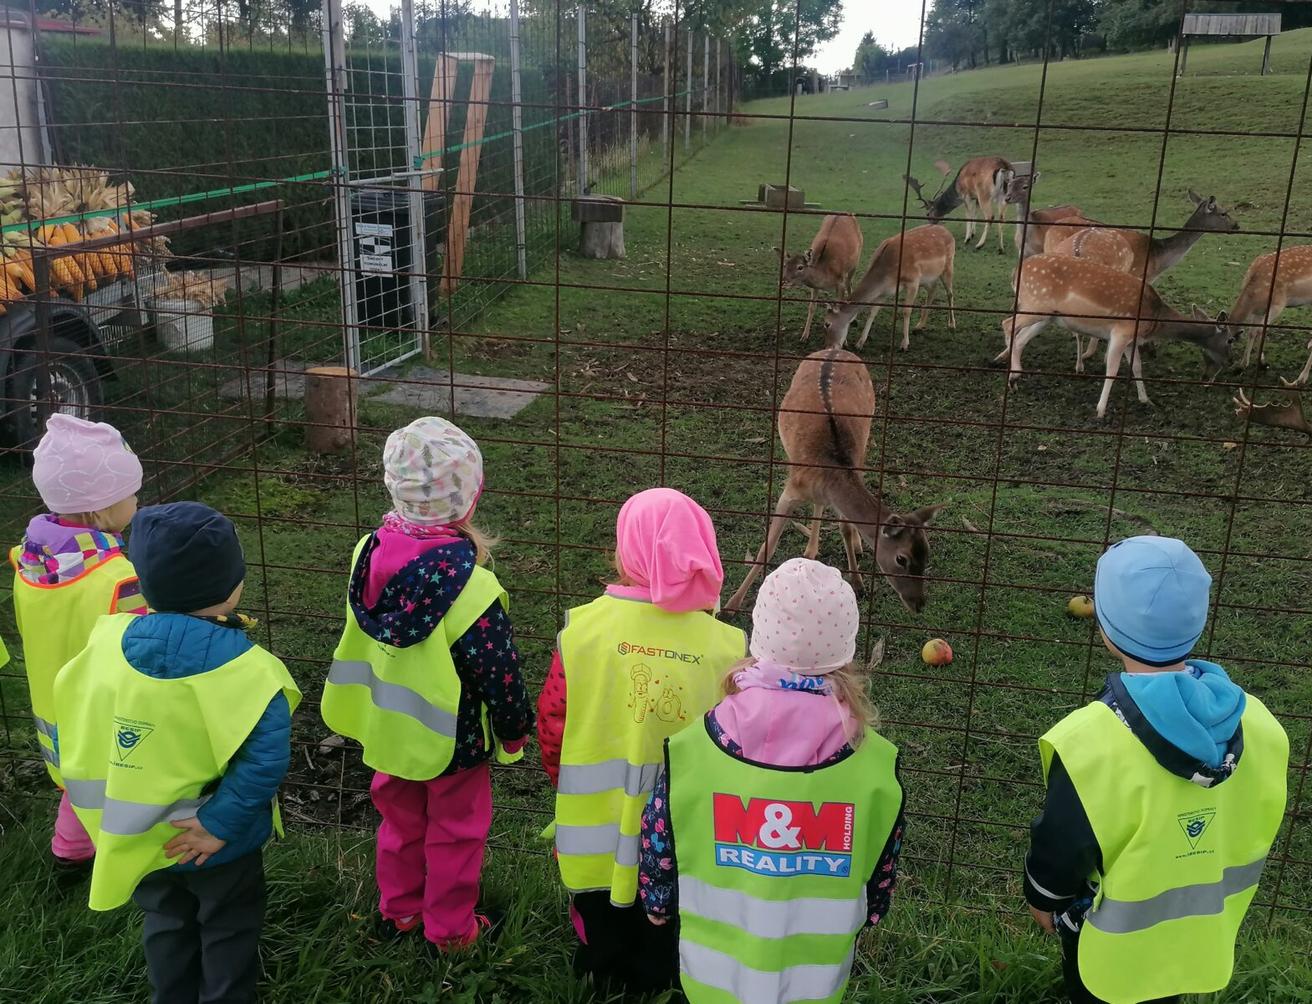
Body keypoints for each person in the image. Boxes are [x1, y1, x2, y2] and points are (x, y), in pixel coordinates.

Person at [1024, 536, 1290, 1004]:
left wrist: (1044, 898)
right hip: (1199, 939)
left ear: (1105, 627)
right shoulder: (1261, 723)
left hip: (1110, 956)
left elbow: (1064, 843)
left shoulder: (1089, 743)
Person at [53, 502, 300, 1004]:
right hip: (220, 844)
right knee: (228, 928)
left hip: (143, 837)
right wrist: (217, 826)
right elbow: (264, 760)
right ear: (233, 587)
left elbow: (79, 722)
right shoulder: (251, 670)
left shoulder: (102, 646)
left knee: (165, 922)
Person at [640, 557, 905, 1003]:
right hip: (813, 979)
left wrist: (658, 901)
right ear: (847, 651)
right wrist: (872, 912)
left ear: (759, 639)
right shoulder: (875, 764)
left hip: (712, 974)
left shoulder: (693, 749)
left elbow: (659, 836)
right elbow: (883, 860)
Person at [322, 417, 533, 950]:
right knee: (456, 834)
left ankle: (400, 912)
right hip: (452, 739)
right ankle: (450, 931)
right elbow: (497, 670)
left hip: (385, 729)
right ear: (470, 497)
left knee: (398, 822)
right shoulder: (473, 587)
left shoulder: (365, 553)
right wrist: (514, 729)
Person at [538, 487, 746, 995]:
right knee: (670, 911)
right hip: (684, 824)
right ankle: (662, 976)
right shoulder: (728, 647)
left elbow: (553, 716)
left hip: (597, 817)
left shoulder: (583, 629)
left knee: (597, 899)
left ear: (625, 549)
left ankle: (598, 970)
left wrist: (559, 775)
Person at [10, 414, 146, 869]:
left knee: (75, 783)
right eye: (131, 494)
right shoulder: (118, 579)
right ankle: (122, 858)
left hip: (51, 704)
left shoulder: (28, 566)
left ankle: (68, 852)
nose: (137, 501)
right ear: (99, 512)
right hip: (103, 709)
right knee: (108, 783)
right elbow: (141, 642)